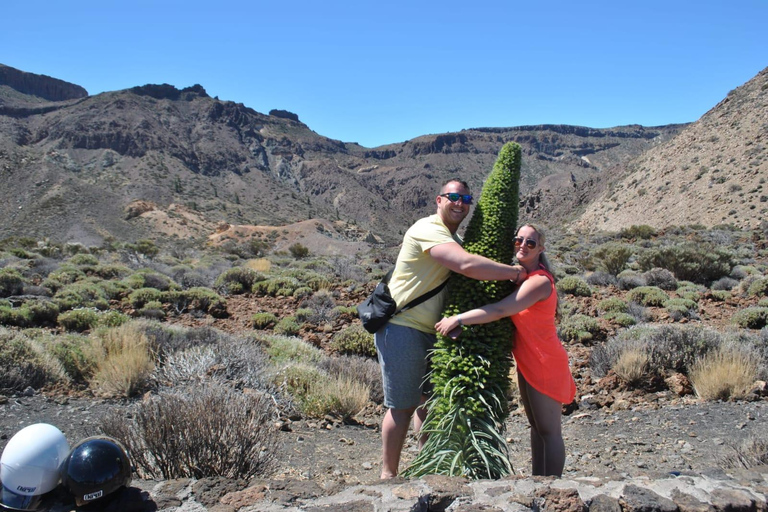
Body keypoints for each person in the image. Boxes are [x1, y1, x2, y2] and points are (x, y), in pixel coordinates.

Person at [375, 178, 527, 479]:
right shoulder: (428, 229)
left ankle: (427, 466)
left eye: (466, 198)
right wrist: (513, 273)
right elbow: (467, 266)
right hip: (403, 327)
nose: (460, 203)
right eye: (453, 197)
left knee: (427, 404)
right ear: (439, 200)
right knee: (402, 406)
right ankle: (387, 475)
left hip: (435, 331)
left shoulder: (453, 238)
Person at [434, 224, 576, 477]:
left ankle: (554, 488)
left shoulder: (539, 282)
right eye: (518, 240)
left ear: (541, 248)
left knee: (549, 431)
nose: (522, 245)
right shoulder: (524, 277)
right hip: (529, 361)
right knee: (536, 427)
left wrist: (459, 319)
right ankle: (539, 482)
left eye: (530, 243)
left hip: (545, 362)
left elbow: (501, 309)